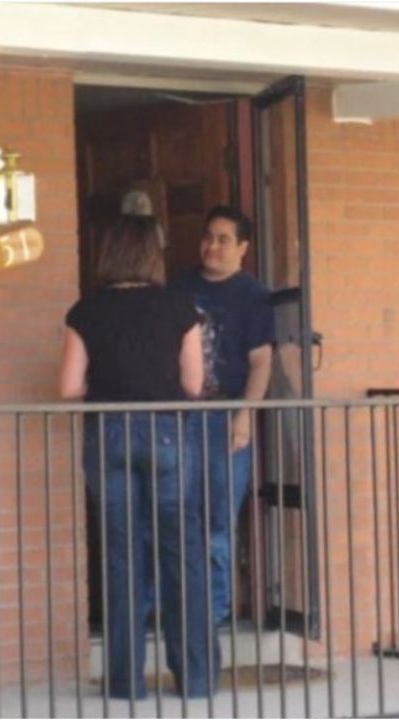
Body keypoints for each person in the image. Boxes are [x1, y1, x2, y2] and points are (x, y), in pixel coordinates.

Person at [60, 215, 217, 699]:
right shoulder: (179, 307)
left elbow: (67, 388)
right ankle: (194, 679)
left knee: (121, 557)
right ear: (152, 253)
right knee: (181, 552)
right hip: (167, 433)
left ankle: (125, 683)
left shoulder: (85, 311)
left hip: (108, 436)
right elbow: (192, 385)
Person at [170, 205, 274, 625]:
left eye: (223, 239)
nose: (212, 246)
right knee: (175, 514)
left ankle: (212, 612)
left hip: (225, 418)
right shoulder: (177, 285)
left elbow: (262, 362)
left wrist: (245, 416)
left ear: (243, 248)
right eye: (208, 236)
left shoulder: (252, 295)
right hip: (177, 416)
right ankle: (174, 609)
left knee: (217, 519)